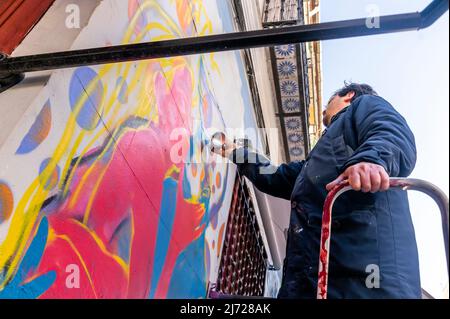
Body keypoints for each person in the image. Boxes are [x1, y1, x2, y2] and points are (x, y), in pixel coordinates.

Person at [212, 83, 421, 299]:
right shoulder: (318, 160)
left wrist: (370, 160)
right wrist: (235, 152)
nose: (323, 110)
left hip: (368, 281)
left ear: (349, 95)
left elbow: (392, 132)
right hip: (313, 280)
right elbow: (277, 176)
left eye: (329, 102)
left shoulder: (365, 105)